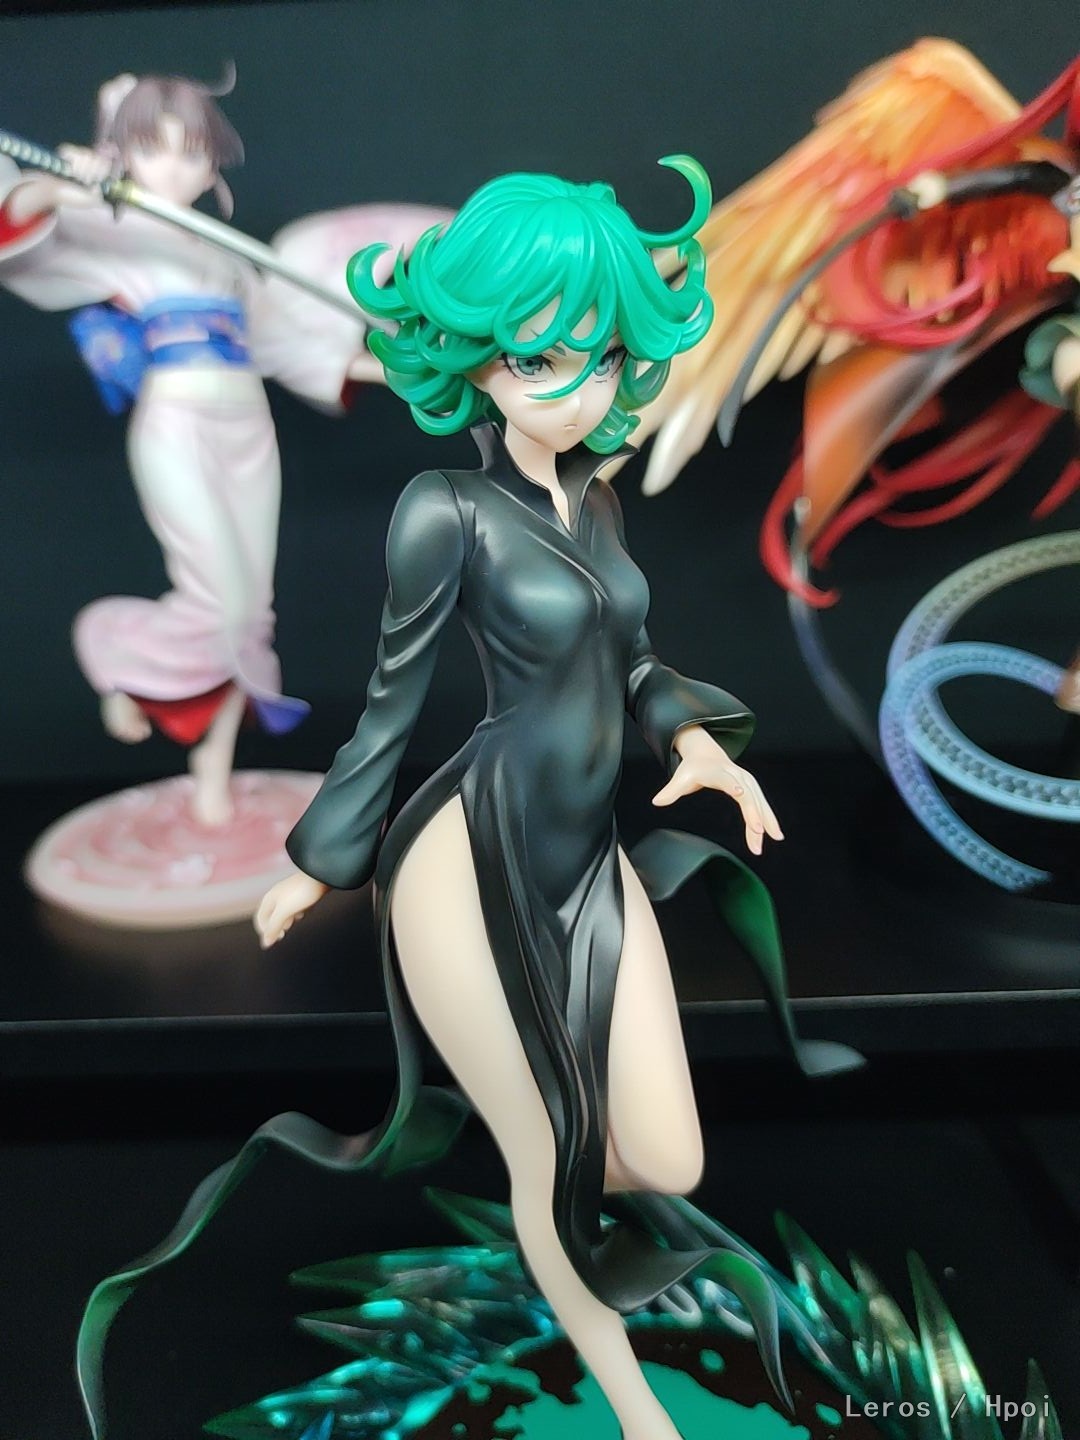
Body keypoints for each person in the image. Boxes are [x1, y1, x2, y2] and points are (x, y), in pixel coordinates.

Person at [253, 158, 786, 1440]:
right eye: (543, 359)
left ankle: (560, 1188)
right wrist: (320, 862)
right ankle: (635, 1407)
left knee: (667, 1155)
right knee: (554, 1160)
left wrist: (697, 744)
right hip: (469, 861)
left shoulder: (595, 500)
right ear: (475, 357)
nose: (580, 388)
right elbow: (389, 702)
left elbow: (633, 661)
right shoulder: (443, 508)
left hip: (587, 852)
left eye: (602, 358)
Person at [0, 69, 369, 824]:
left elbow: (292, 348)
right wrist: (64, 190)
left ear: (212, 165)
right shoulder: (112, 228)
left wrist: (412, 369)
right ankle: (120, 660)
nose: (175, 168)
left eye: (193, 152)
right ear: (122, 154)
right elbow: (19, 217)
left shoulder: (229, 258)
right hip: (178, 425)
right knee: (221, 597)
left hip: (249, 430)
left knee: (252, 611)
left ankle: (213, 774)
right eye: (154, 149)